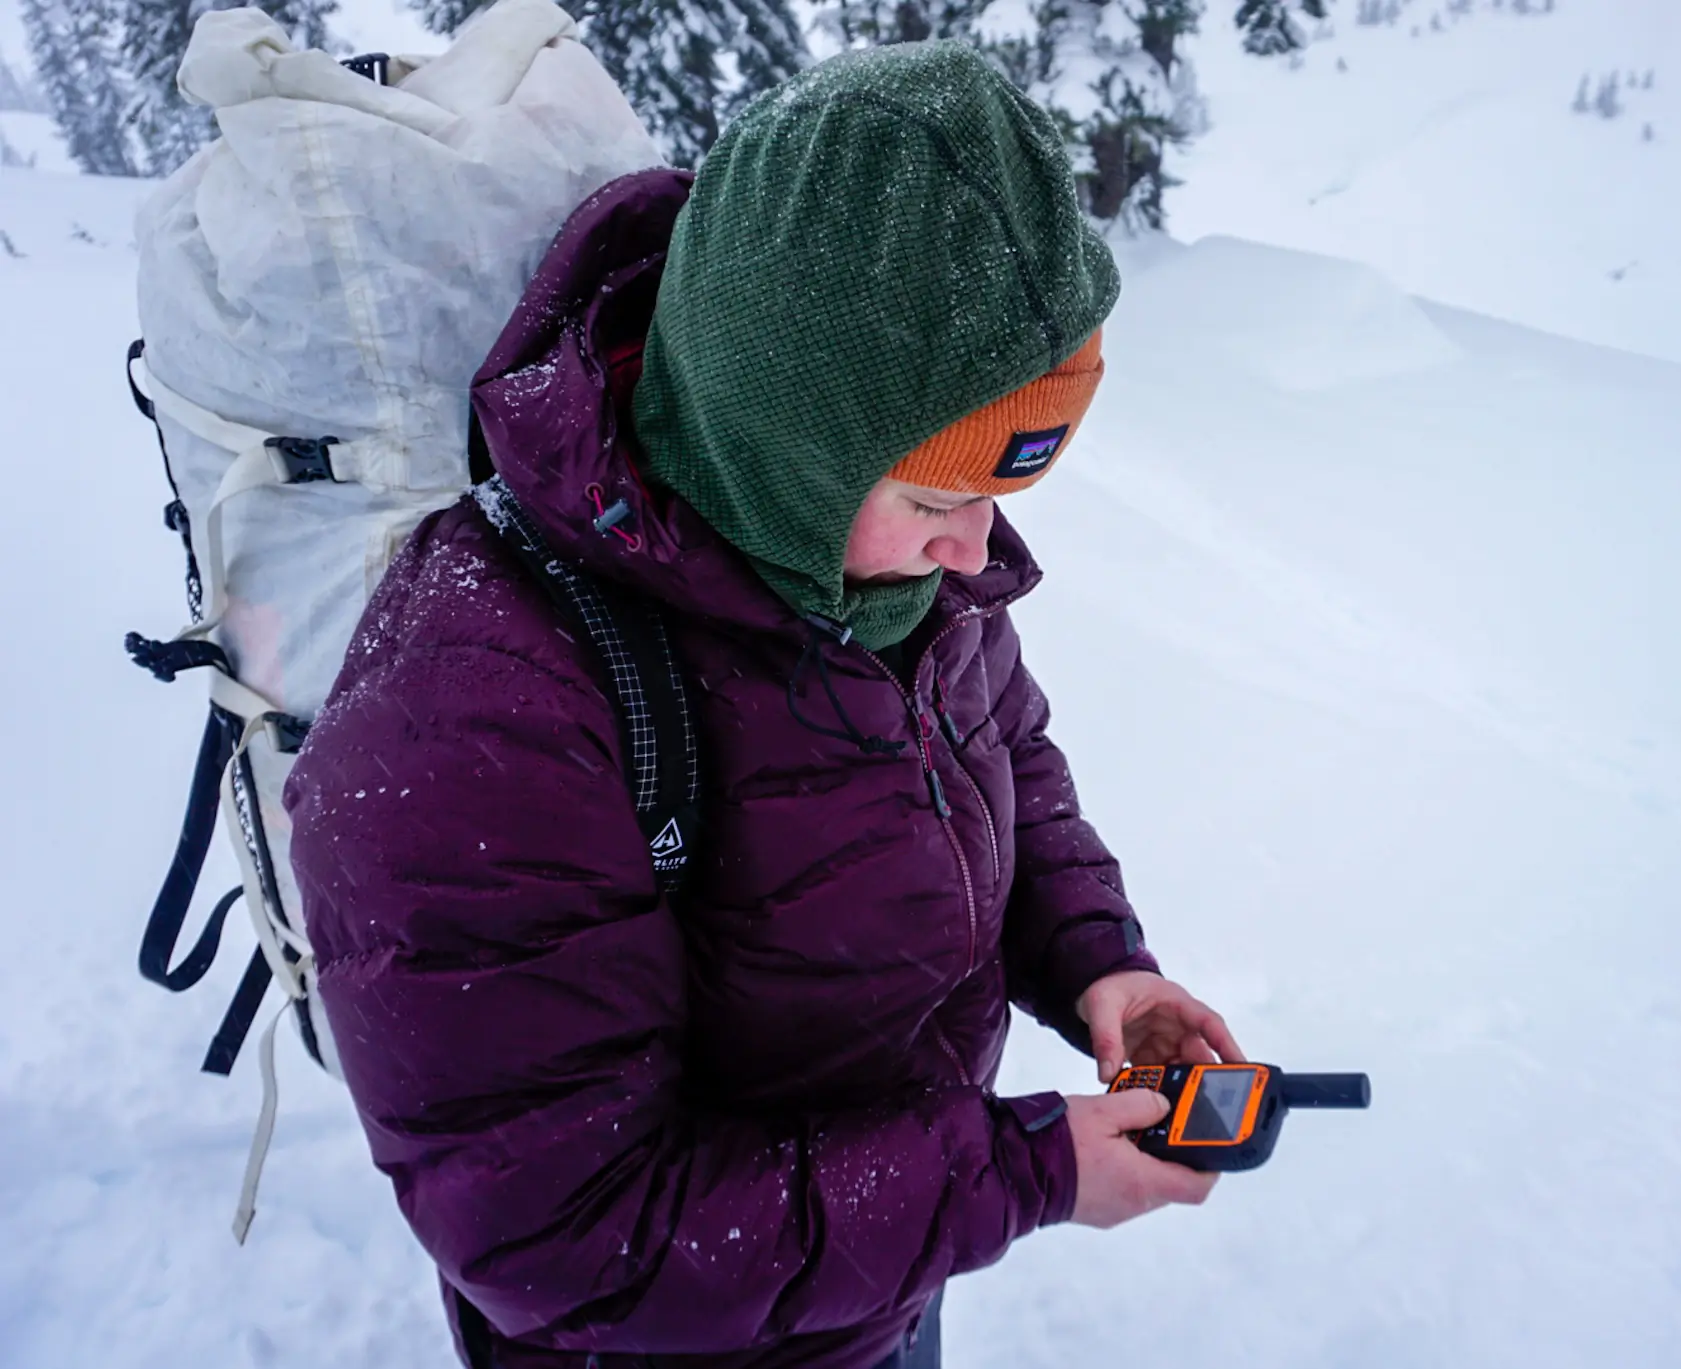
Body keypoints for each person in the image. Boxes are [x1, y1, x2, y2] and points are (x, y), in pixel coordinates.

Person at [285, 40, 1243, 1369]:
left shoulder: (889, 581)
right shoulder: (479, 715)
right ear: (783, 435)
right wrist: (1027, 1175)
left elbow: (996, 752)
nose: (977, 553)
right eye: (934, 496)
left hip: (882, 1288)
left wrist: (1100, 966)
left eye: (1003, 495)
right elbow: (567, 1240)